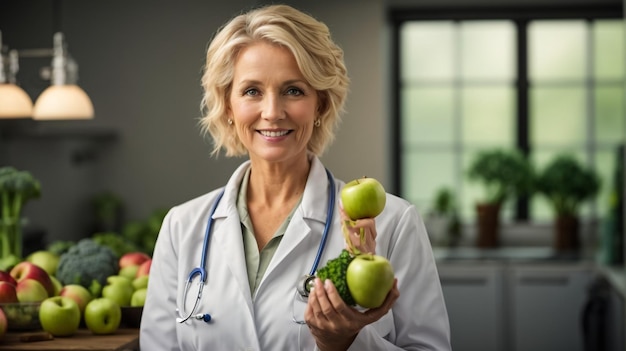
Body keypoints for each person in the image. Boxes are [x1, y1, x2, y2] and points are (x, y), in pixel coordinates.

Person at [139, 4, 451, 351]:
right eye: (252, 91)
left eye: (293, 90)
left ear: (320, 104)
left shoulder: (393, 222)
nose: (272, 112)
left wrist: (345, 343)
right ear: (228, 106)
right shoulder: (182, 227)